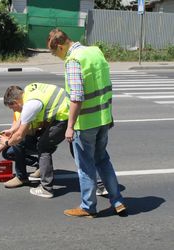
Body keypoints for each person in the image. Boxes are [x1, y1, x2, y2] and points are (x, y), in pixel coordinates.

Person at [47, 29, 127, 216]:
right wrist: (109, 114)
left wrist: (70, 126)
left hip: (86, 124)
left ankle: (88, 207)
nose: (56, 56)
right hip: (103, 118)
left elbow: (76, 97)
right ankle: (117, 201)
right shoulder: (95, 51)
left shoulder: (73, 60)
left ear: (60, 47)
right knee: (103, 160)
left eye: (54, 53)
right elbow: (105, 86)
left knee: (85, 166)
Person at [0, 83, 69, 198]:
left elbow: (20, 135)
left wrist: (6, 142)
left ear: (16, 102)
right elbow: (23, 121)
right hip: (67, 111)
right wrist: (12, 130)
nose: (13, 110)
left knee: (43, 147)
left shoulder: (30, 106)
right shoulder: (28, 91)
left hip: (65, 117)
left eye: (12, 108)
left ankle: (47, 189)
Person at [0, 112, 40, 178]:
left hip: (38, 141)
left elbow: (17, 136)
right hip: (24, 139)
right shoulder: (17, 113)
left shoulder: (29, 111)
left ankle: (23, 176)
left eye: (12, 106)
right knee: (7, 153)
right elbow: (12, 134)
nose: (13, 110)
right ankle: (39, 163)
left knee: (15, 147)